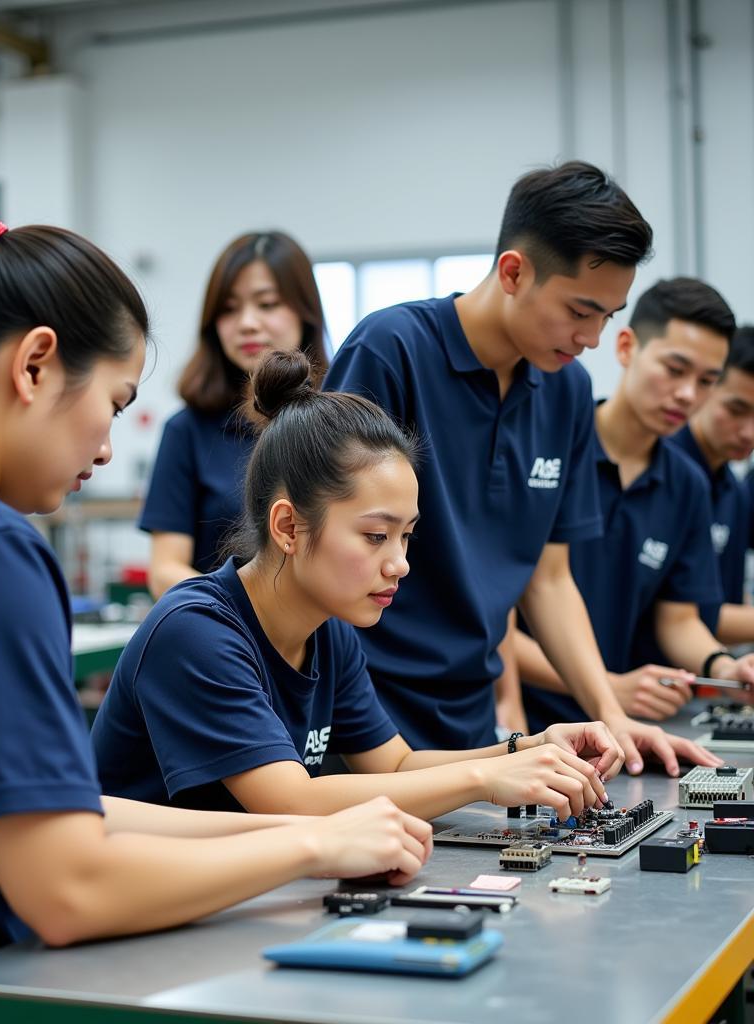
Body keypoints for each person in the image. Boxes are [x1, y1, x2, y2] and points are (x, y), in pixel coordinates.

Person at [0, 202, 431, 1023]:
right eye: (112, 400)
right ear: (34, 364)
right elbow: (67, 889)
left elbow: (54, 811)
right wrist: (312, 844)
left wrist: (306, 837)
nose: (105, 448)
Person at [93, 351, 624, 822]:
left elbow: (395, 763)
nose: (400, 564)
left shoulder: (329, 630)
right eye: (375, 536)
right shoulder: (197, 632)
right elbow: (292, 801)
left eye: (406, 536)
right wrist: (484, 781)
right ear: (287, 528)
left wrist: (527, 749)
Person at [321, 160, 714, 776]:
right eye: (580, 310)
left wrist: (610, 713)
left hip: (470, 717)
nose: (590, 337)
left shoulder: (567, 394)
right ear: (513, 271)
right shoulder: (390, 351)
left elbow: (549, 580)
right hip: (363, 710)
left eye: (607, 316)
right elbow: (325, 549)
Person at [514, 278, 753, 730]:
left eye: (706, 381)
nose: (687, 394)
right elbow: (504, 621)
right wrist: (607, 686)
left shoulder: (686, 484)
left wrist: (723, 668)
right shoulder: (548, 452)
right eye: (675, 369)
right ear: (626, 347)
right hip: (524, 726)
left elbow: (678, 618)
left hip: (616, 731)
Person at [140, 231, 329, 599]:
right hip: (225, 636)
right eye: (228, 309)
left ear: (305, 311)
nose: (246, 323)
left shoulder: (339, 424)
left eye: (268, 303)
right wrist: (244, 614)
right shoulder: (186, 431)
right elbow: (165, 569)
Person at [669, 325, 754, 646]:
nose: (748, 432)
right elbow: (692, 616)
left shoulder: (735, 491)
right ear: (705, 387)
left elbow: (724, 605)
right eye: (736, 410)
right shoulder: (667, 476)